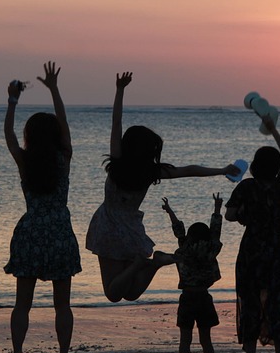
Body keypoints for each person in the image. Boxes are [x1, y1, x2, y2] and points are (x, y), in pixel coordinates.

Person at [86, 72, 238, 303]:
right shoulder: (151, 172)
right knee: (131, 293)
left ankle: (144, 263)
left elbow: (116, 123)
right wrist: (221, 169)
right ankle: (155, 264)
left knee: (113, 293)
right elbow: (189, 170)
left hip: (108, 226)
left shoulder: (117, 163)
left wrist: (120, 89)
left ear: (128, 146)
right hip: (131, 229)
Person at [4, 62, 81, 353]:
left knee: (23, 303)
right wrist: (53, 88)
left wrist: (12, 101)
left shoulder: (25, 160)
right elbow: (63, 125)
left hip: (31, 232)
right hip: (60, 233)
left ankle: (19, 352)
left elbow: (8, 134)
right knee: (61, 304)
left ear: (30, 137)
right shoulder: (63, 158)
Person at [226, 117, 280, 353]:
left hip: (252, 250)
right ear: (276, 168)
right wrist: (274, 130)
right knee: (278, 304)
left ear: (256, 166)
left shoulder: (247, 186)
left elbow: (230, 215)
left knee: (250, 303)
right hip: (278, 250)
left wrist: (246, 214)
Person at [162, 194, 224, 353]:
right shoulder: (211, 249)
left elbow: (178, 230)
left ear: (190, 236)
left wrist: (169, 210)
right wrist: (216, 208)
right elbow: (216, 231)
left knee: (185, 340)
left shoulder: (185, 248)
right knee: (206, 339)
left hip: (187, 297)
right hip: (204, 297)